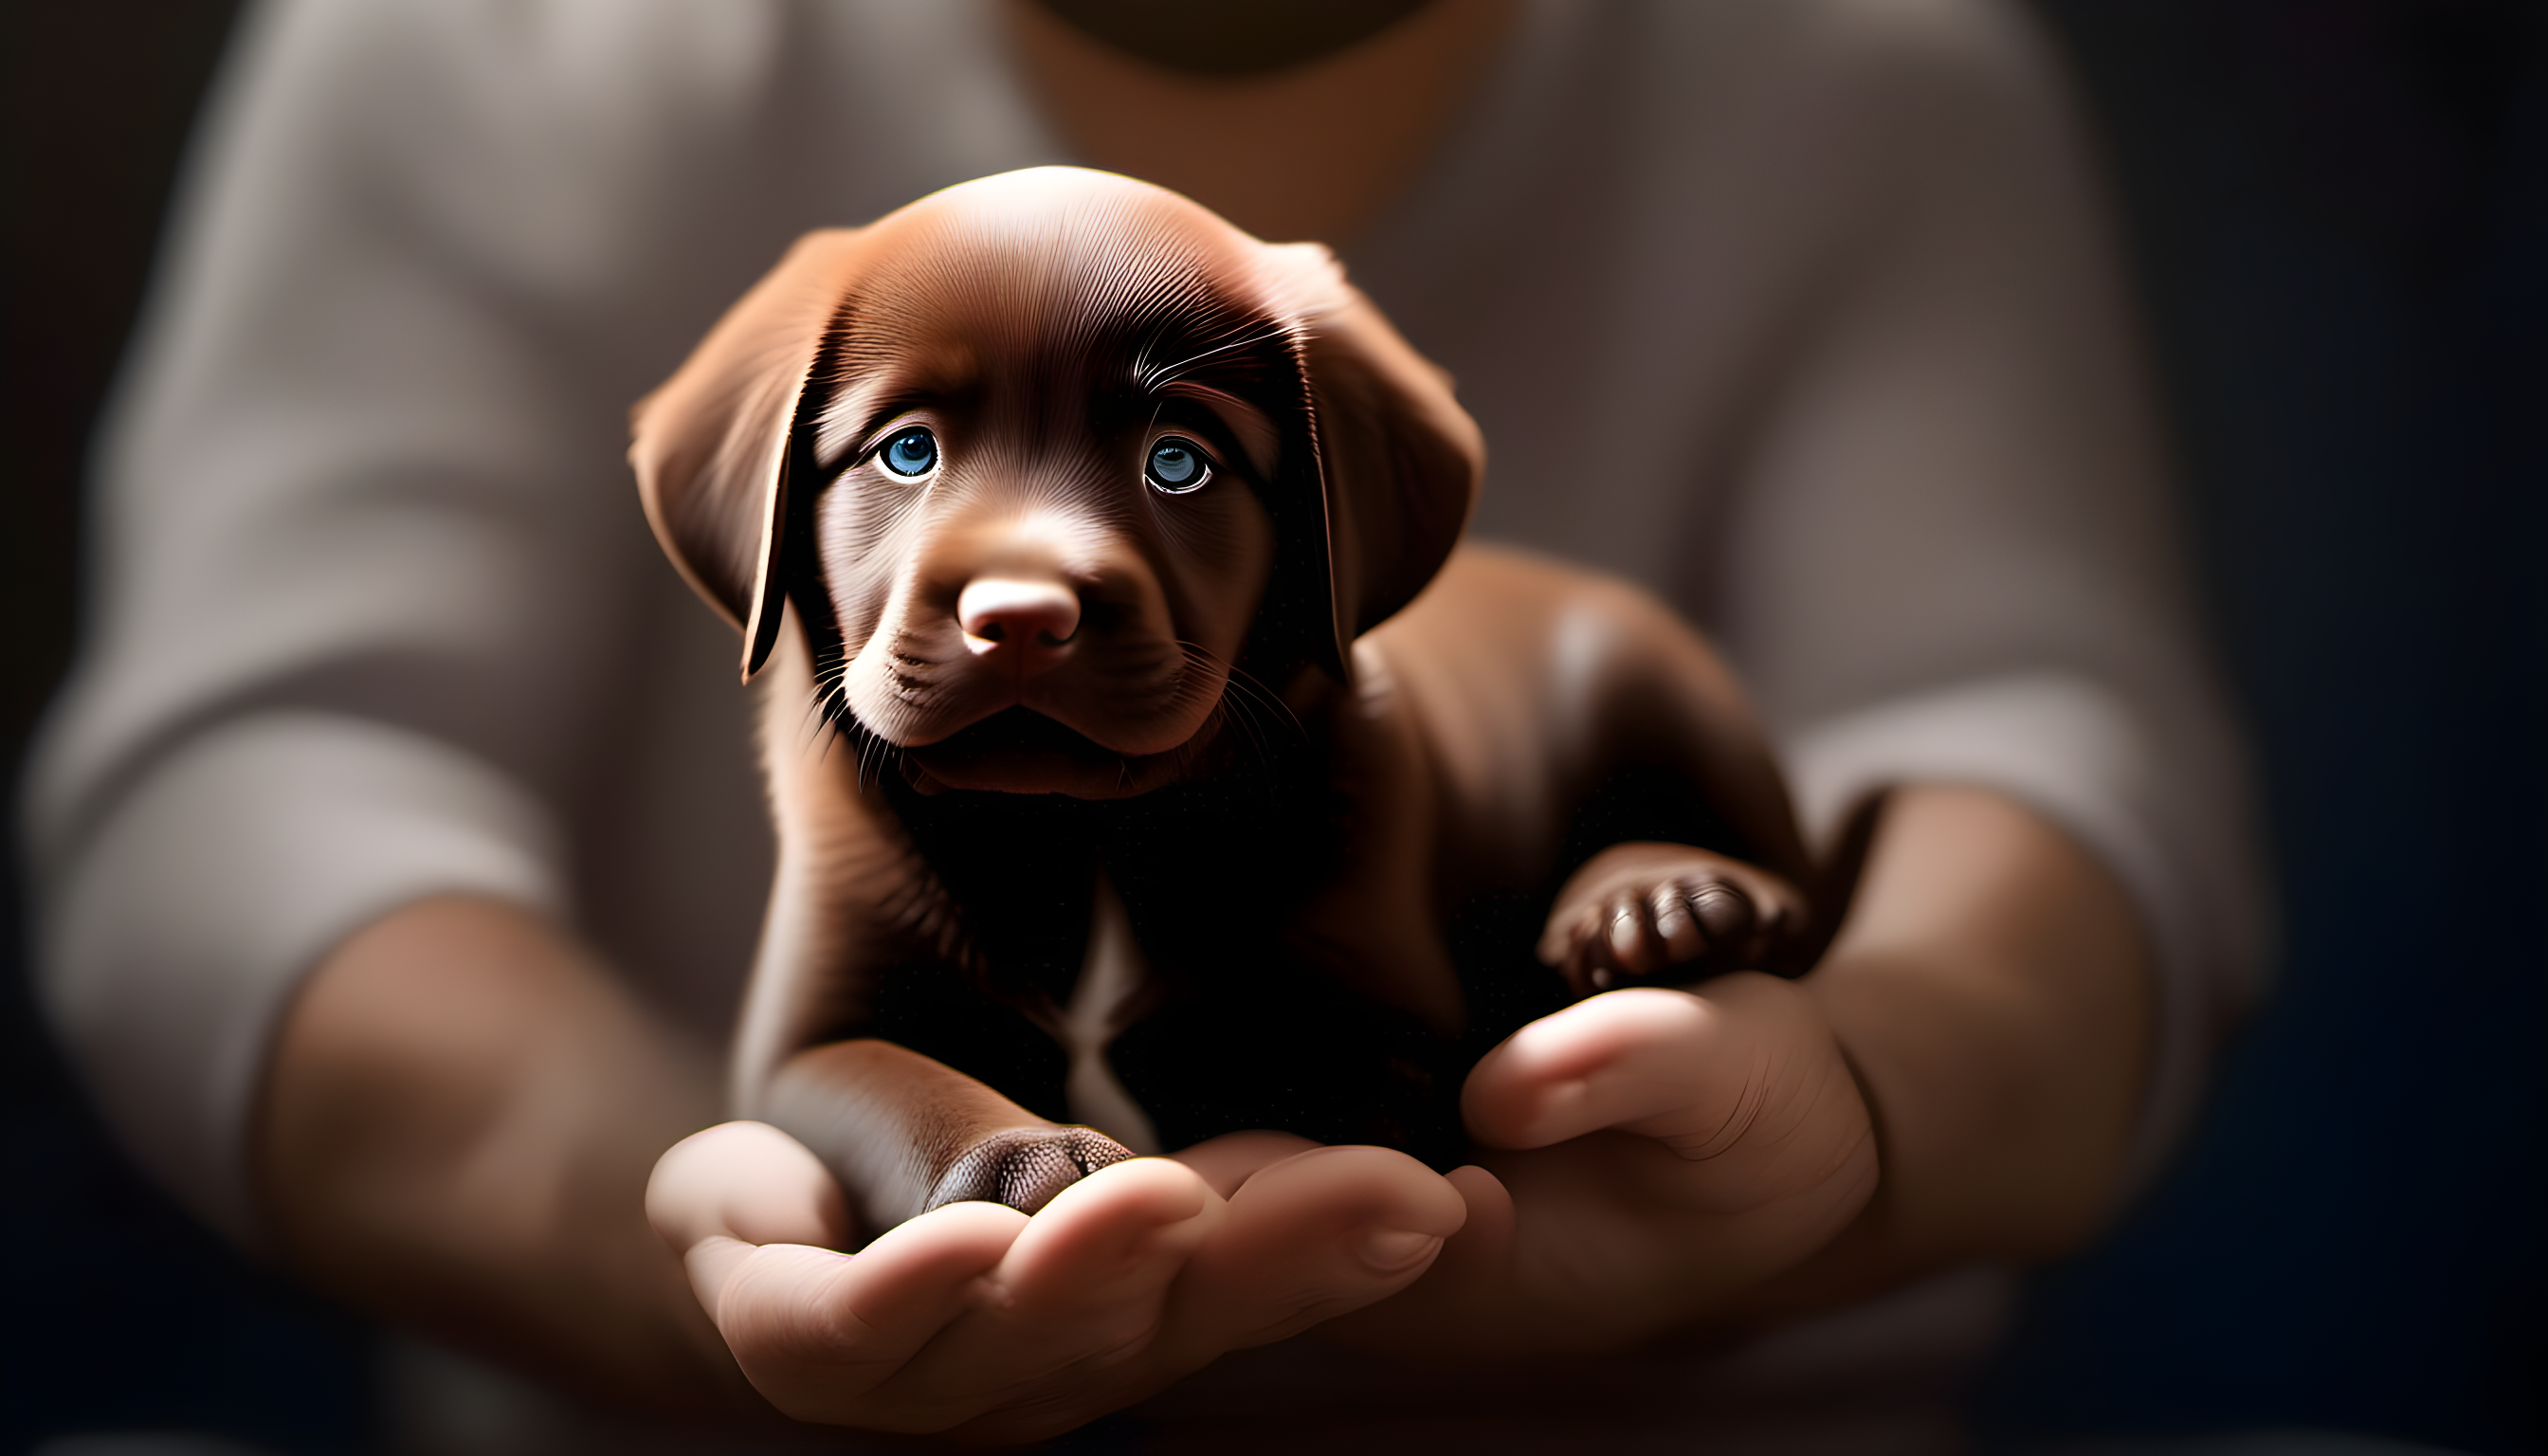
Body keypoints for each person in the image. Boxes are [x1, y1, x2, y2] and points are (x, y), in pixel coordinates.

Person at [22, 0, 2260, 1447]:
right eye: (904, 455)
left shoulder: (1860, 77)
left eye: (1185, 464)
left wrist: (1864, 1100)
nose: (1020, 573)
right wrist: (667, 1226)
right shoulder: (482, 49)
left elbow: (2037, 749)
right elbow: (256, 795)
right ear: (769, 510)